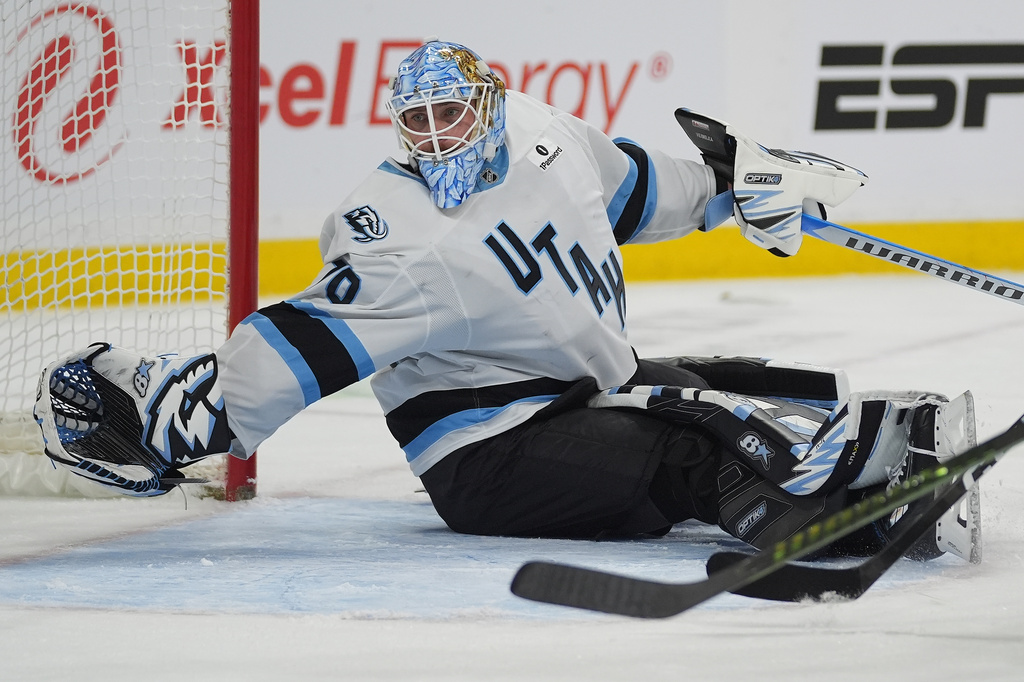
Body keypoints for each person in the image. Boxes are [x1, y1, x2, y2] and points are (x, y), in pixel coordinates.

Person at [34, 40, 978, 561]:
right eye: (418, 123)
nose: (439, 139)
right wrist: (190, 419)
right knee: (694, 436)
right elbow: (304, 341)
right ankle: (862, 510)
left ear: (490, 103)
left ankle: (875, 448)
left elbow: (634, 191)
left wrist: (732, 192)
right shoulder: (397, 234)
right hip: (490, 457)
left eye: (453, 114)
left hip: (568, 385)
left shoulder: (542, 133)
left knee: (709, 382)